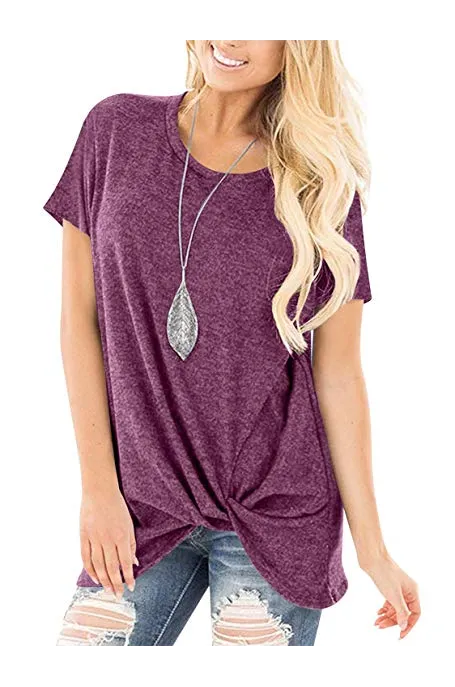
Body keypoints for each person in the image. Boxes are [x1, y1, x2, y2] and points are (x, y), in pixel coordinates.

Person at [43, 40, 421, 648]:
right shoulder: (114, 130)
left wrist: (373, 549)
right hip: (141, 502)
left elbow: (339, 374)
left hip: (275, 512)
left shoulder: (320, 184)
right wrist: (97, 490)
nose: (230, 32)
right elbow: (77, 322)